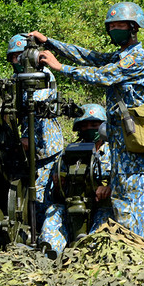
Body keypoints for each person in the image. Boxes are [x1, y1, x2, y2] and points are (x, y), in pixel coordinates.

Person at [31, 1, 144, 240]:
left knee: (131, 202)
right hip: (121, 142)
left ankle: (141, 251)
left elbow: (102, 75)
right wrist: (50, 43)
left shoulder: (136, 58)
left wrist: (60, 67)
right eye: (112, 26)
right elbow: (89, 56)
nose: (114, 29)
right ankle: (129, 250)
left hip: (133, 142)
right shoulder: (121, 55)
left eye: (120, 25)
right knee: (121, 201)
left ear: (133, 27)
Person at [40, 104, 112, 255]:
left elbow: (122, 182)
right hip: (71, 206)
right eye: (84, 126)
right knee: (53, 213)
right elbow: (57, 191)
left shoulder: (113, 154)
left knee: (103, 225)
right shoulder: (69, 152)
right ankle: (51, 252)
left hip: (101, 207)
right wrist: (59, 182)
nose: (89, 129)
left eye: (94, 125)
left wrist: (108, 187)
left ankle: (89, 251)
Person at [7, 34, 64, 223]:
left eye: (21, 55)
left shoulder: (43, 76)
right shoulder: (14, 80)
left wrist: (25, 138)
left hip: (46, 148)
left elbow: (36, 108)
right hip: (24, 152)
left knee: (41, 200)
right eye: (14, 56)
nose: (18, 60)